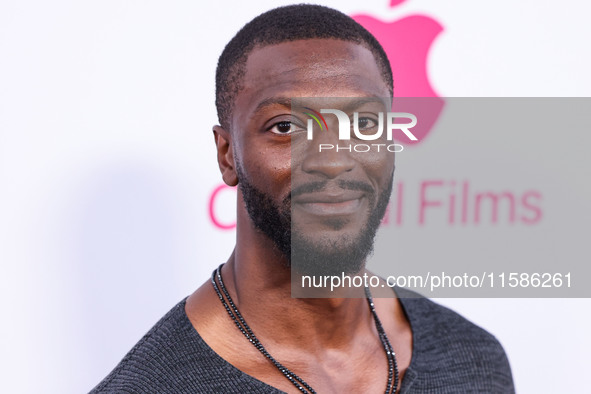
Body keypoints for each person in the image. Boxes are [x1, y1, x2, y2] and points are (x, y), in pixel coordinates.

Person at [91, 4, 514, 393]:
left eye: (365, 123)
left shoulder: (474, 360)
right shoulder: (149, 386)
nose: (333, 161)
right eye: (285, 126)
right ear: (227, 155)